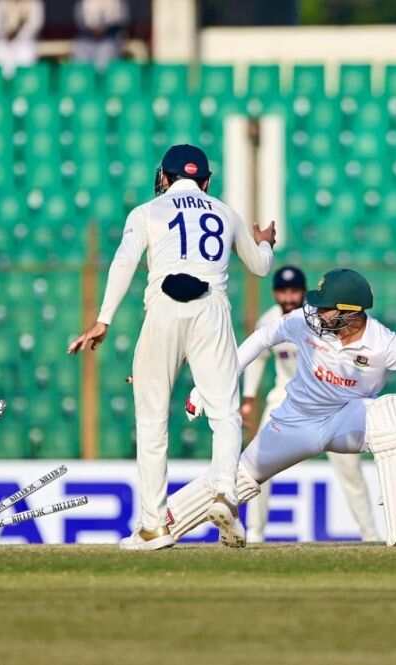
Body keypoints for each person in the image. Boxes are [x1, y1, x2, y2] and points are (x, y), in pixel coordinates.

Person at [175, 268, 396, 547]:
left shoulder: (384, 343)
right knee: (233, 480)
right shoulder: (302, 323)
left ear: (351, 311)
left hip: (346, 420)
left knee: (390, 412)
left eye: (326, 307)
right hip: (295, 422)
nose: (317, 312)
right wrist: (212, 387)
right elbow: (262, 339)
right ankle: (160, 525)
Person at [68, 144, 276, 550]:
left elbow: (124, 261)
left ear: (163, 177)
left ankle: (153, 525)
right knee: (224, 413)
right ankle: (224, 494)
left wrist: (104, 319)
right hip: (211, 309)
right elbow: (261, 267)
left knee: (152, 420)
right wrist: (265, 242)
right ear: (207, 180)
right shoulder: (224, 211)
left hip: (163, 308)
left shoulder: (147, 211)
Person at [242, 265, 380, 543]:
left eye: (295, 291)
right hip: (285, 398)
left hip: (330, 402)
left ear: (305, 293)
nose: (289, 297)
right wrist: (248, 398)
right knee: (258, 463)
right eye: (283, 291)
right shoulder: (270, 320)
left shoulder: (324, 319)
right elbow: (257, 357)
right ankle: (255, 533)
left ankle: (370, 534)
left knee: (349, 470)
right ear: (275, 293)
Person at [0, 0, 44, 78]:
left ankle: (22, 82)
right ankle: (2, 84)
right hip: (2, 41)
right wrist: (6, 36)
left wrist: (18, 37)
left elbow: (34, 26)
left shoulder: (34, 3)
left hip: (25, 42)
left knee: (26, 54)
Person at [71, 0, 129, 71]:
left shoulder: (116, 2)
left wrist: (104, 29)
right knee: (79, 49)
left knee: (106, 51)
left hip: (109, 39)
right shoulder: (85, 2)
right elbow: (80, 23)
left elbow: (121, 23)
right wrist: (94, 30)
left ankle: (102, 79)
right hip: (87, 39)